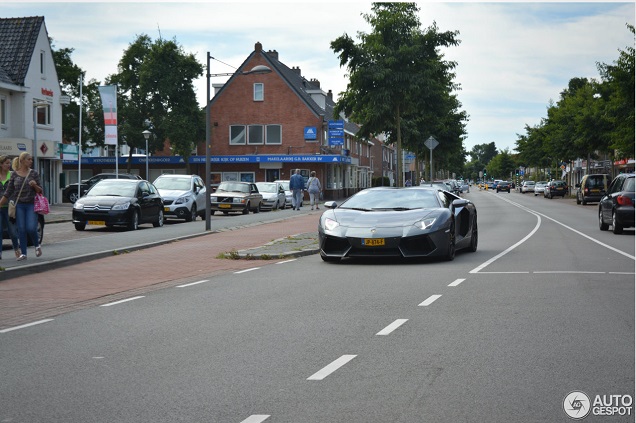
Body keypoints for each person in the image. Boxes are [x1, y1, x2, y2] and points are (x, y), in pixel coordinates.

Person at [0, 152, 43, 261]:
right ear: (22, 161)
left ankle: (37, 245)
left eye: (31, 159)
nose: (31, 161)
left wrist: (34, 185)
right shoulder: (14, 174)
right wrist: (0, 203)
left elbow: (40, 191)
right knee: (21, 229)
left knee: (31, 228)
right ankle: (23, 254)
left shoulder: (34, 173)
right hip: (18, 205)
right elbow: (8, 192)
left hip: (31, 204)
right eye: (29, 159)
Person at [0, 155, 20, 259]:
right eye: (6, 163)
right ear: (1, 164)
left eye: (9, 163)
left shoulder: (12, 175)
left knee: (12, 231)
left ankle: (16, 249)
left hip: (9, 208)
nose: (9, 165)